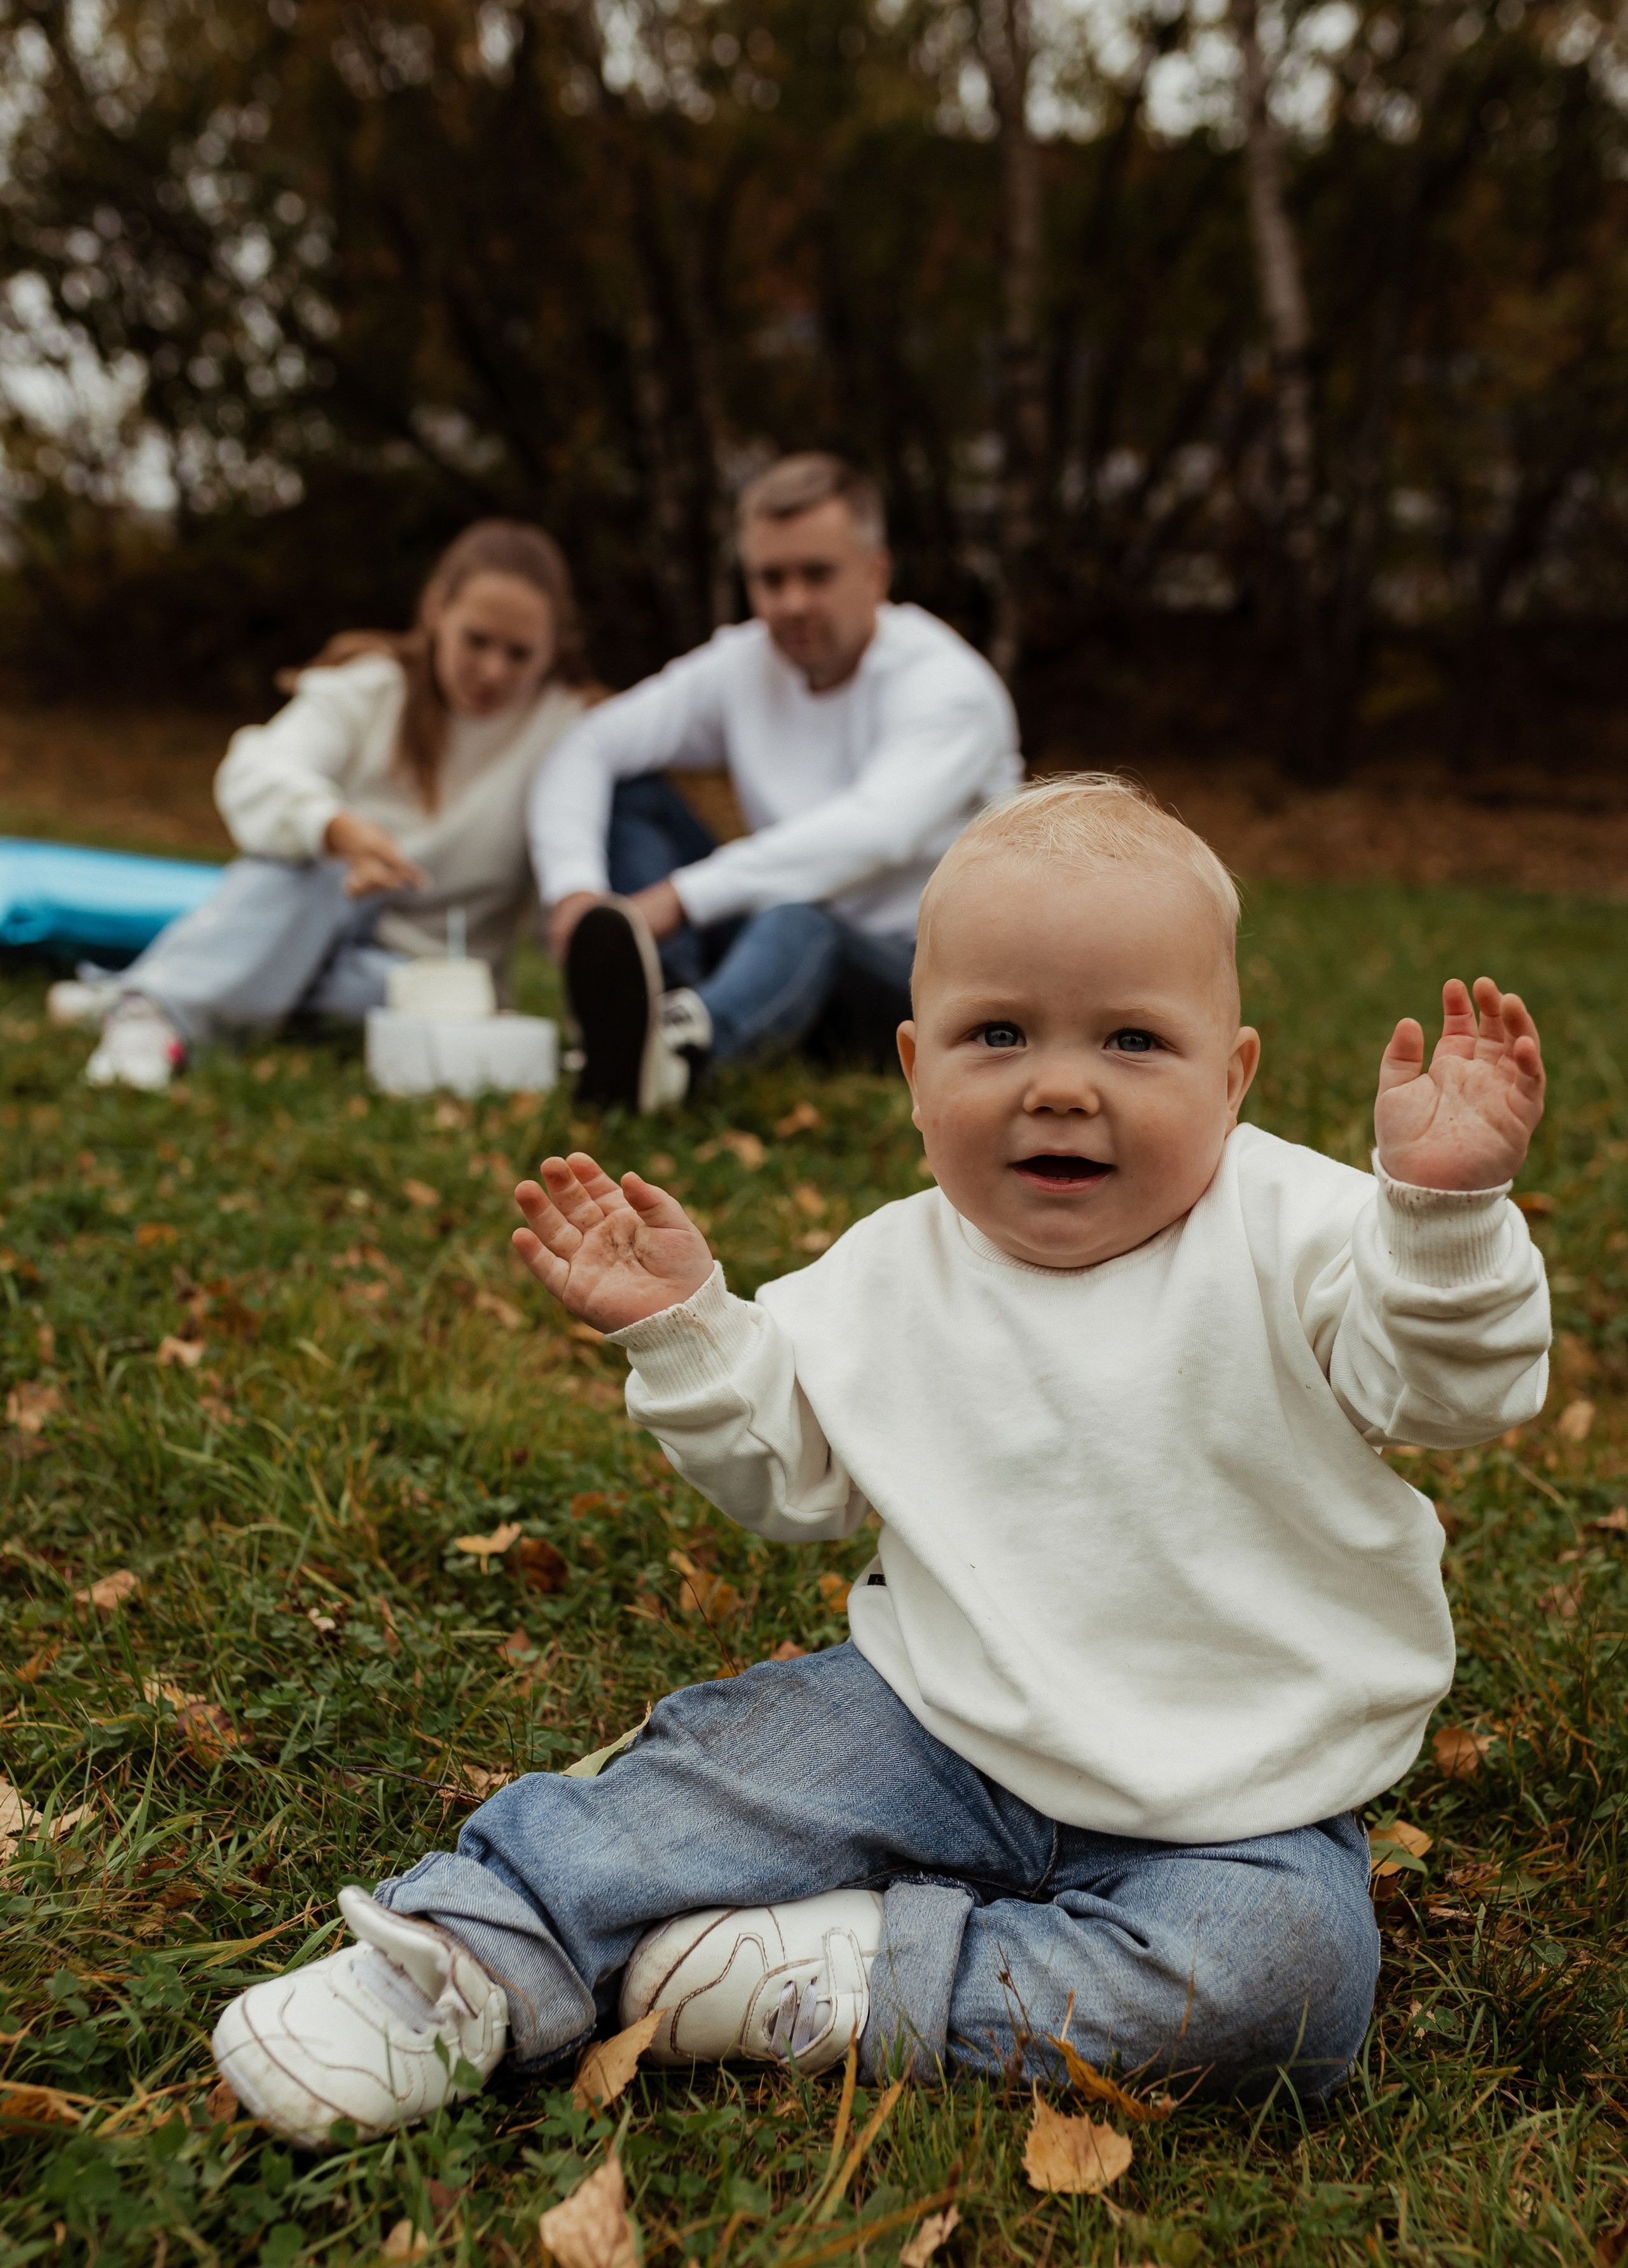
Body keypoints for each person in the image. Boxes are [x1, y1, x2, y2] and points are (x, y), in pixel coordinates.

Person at [209, 775, 1552, 2142]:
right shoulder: (885, 1274)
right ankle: (461, 1958)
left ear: (1232, 1075)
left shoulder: (1305, 1231)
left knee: (1288, 1977)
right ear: (916, 1072)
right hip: (935, 1719)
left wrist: (1441, 1218)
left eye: (1134, 1039)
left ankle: (841, 1976)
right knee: (716, 1778)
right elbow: (786, 1476)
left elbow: (1448, 1389)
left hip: (1239, 1791)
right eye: (998, 1034)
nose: (1061, 1085)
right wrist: (687, 1335)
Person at [528, 453, 1021, 1112]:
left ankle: (682, 1057)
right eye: (769, 579)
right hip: (772, 948)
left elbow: (875, 831)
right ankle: (651, 1013)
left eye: (816, 575)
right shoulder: (744, 663)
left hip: (923, 982)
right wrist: (574, 891)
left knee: (799, 919)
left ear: (875, 574)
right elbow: (589, 744)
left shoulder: (947, 686)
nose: (791, 603)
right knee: (633, 793)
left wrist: (679, 898)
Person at [52, 521, 593, 1091]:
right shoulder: (374, 688)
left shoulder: (569, 731)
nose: (493, 671)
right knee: (308, 860)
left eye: (519, 653)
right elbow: (254, 769)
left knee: (326, 975)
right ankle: (150, 1016)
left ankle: (155, 987)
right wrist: (335, 829)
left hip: (412, 980)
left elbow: (572, 884)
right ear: (438, 610)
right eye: (476, 641)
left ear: (556, 646)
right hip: (309, 916)